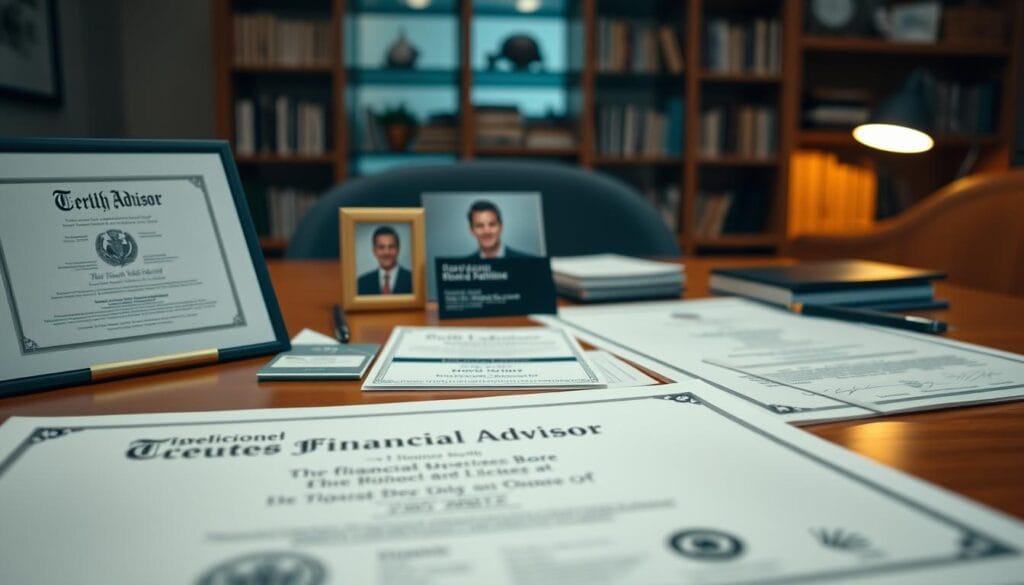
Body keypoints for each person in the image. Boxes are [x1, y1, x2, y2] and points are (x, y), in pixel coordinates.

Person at [464, 200, 533, 259]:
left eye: (492, 224)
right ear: (471, 230)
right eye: (479, 226)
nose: (487, 231)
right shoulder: (464, 265)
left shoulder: (527, 261)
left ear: (501, 227)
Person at [357, 225, 413, 295]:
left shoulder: (413, 280)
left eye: (391, 247)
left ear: (398, 249)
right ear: (374, 251)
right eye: (381, 247)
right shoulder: (362, 283)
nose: (387, 252)